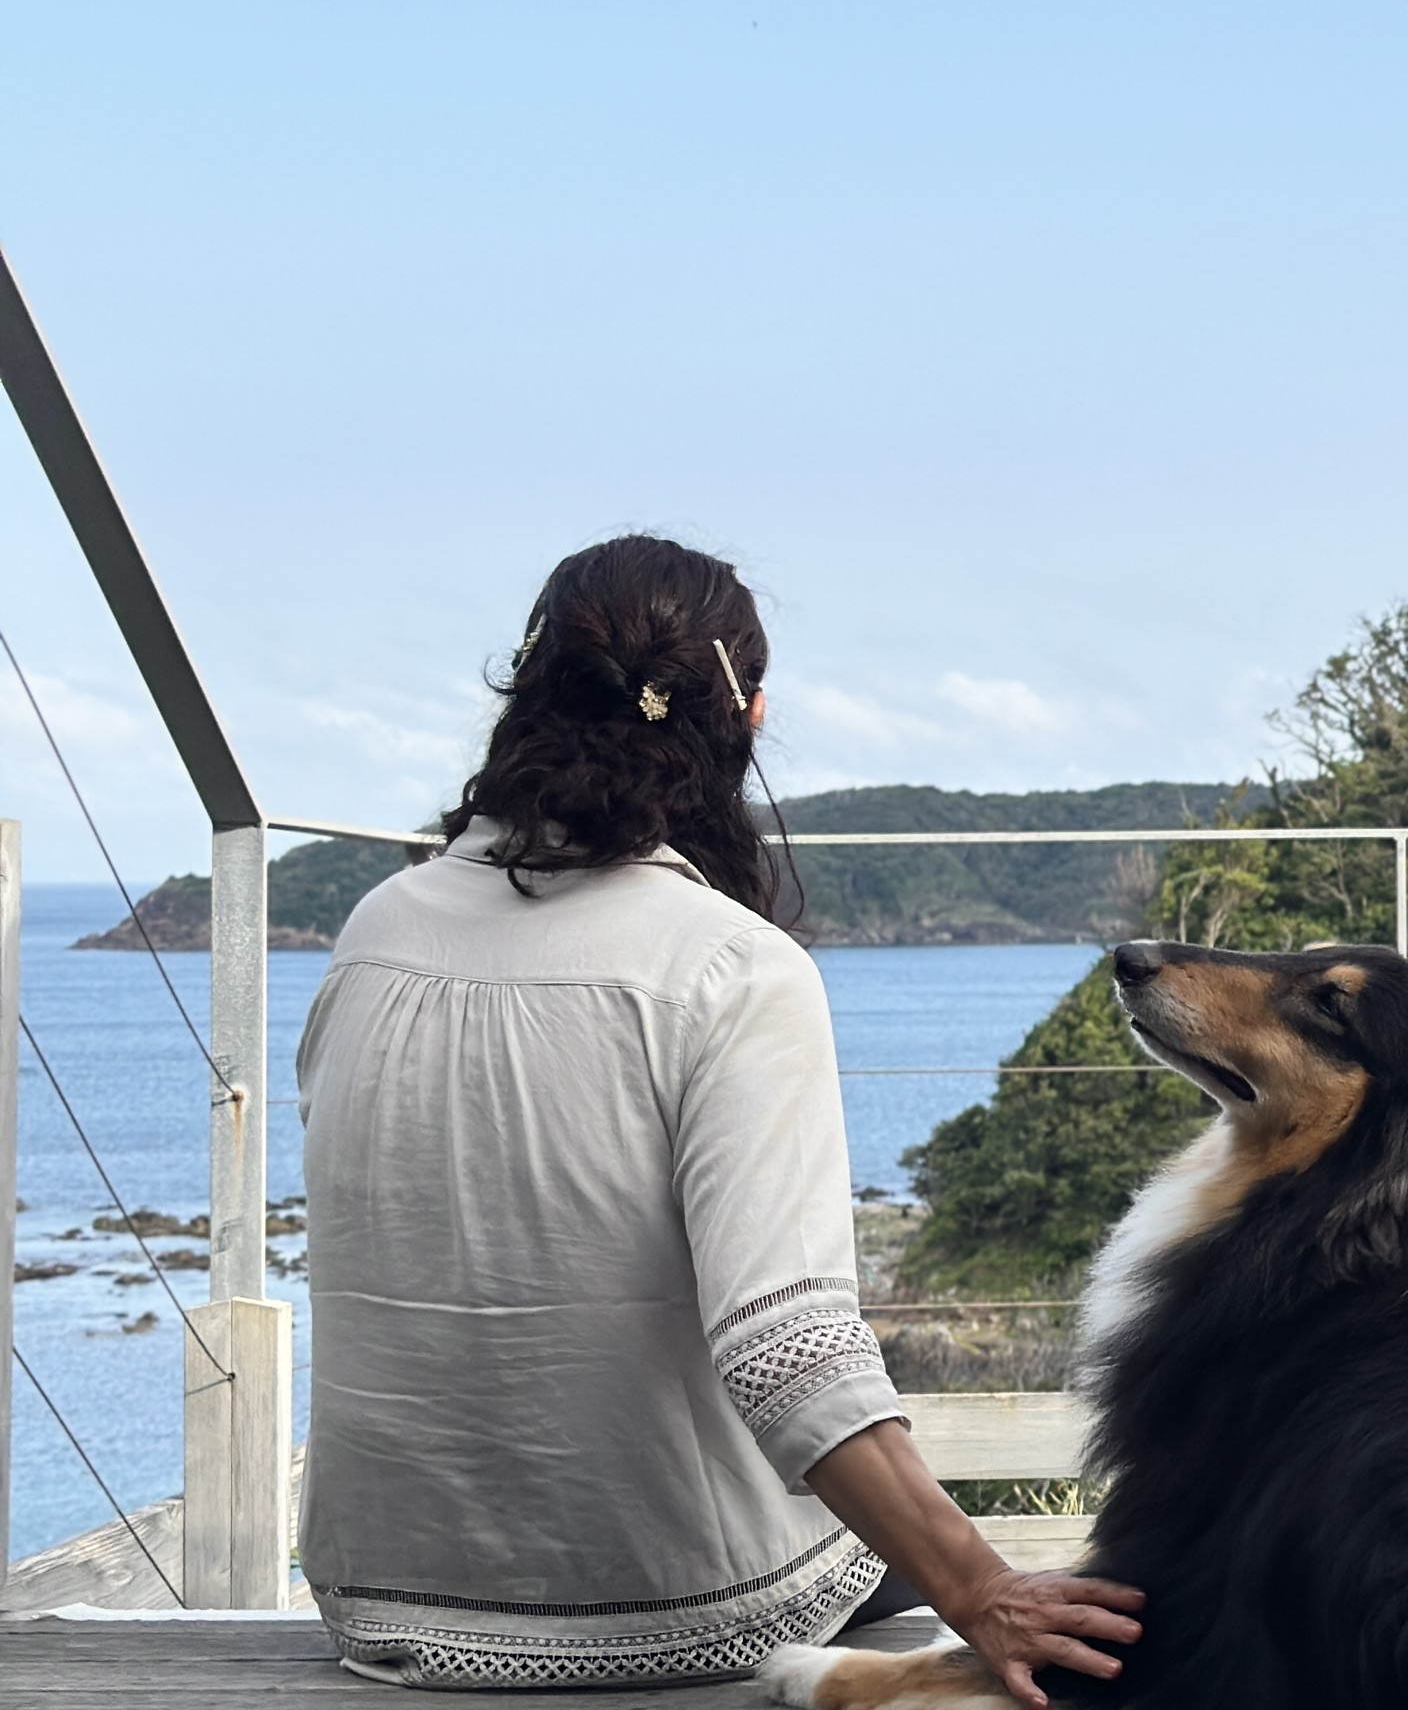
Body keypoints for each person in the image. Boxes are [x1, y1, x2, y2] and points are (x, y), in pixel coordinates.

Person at [297, 536, 1138, 1703]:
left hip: (379, 1602)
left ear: (525, 690)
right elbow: (786, 1354)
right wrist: (983, 1590)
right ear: (743, 715)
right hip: (664, 1614)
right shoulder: (733, 968)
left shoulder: (375, 930)